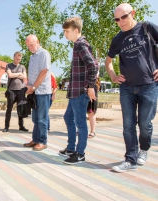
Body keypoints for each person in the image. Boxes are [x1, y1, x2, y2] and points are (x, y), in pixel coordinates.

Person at [105, 3, 158, 173]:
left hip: (149, 85)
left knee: (144, 123)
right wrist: (113, 76)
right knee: (128, 125)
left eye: (124, 17)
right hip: (127, 88)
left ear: (133, 13)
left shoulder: (147, 28)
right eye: (117, 19)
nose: (120, 22)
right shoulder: (117, 39)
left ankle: (144, 149)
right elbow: (108, 61)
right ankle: (130, 159)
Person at [58, 17, 98, 165]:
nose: (65, 35)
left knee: (80, 123)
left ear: (76, 30)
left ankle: (80, 154)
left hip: (80, 92)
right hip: (74, 91)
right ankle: (70, 148)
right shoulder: (77, 45)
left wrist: (90, 86)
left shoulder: (80, 44)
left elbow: (93, 65)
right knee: (68, 118)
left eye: (67, 31)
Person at [23, 34, 51, 151]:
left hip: (43, 92)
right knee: (35, 118)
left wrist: (33, 87)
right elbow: (32, 74)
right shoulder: (32, 56)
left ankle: (43, 141)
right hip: (33, 92)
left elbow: (44, 72)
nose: (30, 47)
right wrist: (28, 85)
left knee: (42, 118)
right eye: (28, 46)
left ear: (38, 42)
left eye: (32, 44)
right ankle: (35, 139)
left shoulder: (44, 54)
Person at [2, 52, 29, 133]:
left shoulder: (22, 66)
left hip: (21, 90)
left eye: (20, 59)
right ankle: (6, 126)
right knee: (9, 109)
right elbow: (10, 75)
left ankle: (21, 126)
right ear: (14, 57)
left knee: (20, 109)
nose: (18, 60)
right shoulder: (9, 65)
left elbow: (25, 76)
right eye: (17, 59)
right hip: (11, 90)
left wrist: (16, 74)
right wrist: (19, 74)